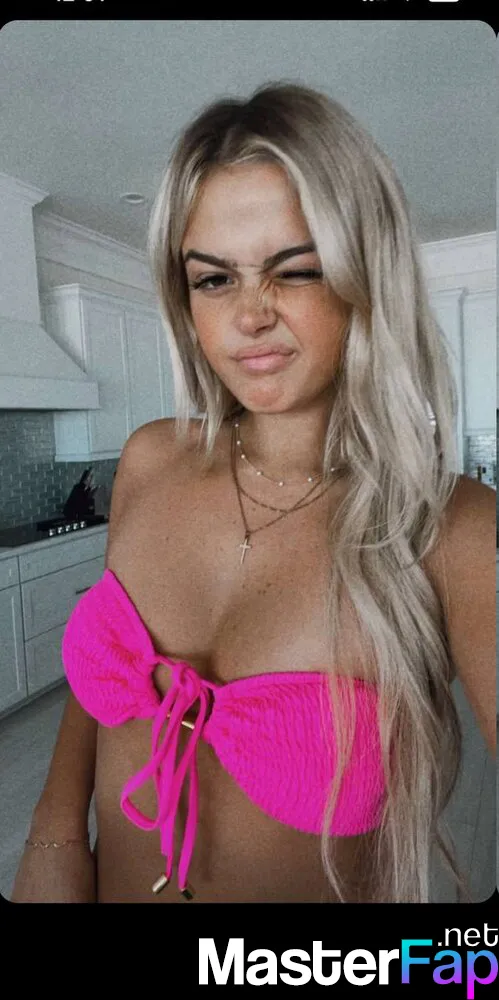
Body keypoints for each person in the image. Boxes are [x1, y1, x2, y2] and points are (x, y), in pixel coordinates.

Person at [11, 81, 495, 904]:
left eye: (295, 271)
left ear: (364, 277)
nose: (249, 315)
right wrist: (53, 840)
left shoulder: (452, 531)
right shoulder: (151, 459)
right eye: (213, 280)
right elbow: (101, 689)